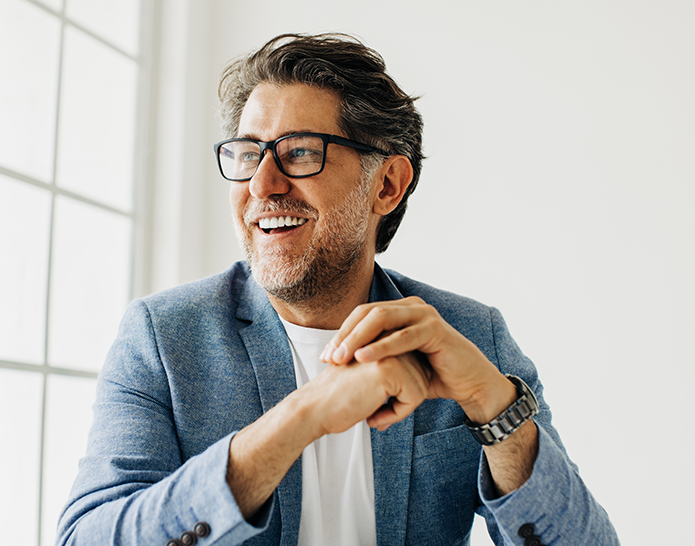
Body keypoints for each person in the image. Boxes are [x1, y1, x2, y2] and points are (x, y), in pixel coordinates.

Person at [57, 33, 618, 546]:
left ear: (388, 184)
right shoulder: (163, 337)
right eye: (249, 153)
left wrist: (496, 409)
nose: (262, 185)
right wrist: (300, 417)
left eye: (299, 151)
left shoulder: (472, 339)